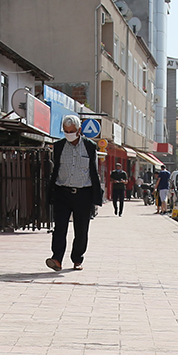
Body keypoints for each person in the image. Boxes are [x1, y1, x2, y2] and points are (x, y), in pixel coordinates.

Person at [46, 115, 102, 271]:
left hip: (84, 193)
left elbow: (94, 172)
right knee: (60, 228)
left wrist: (96, 197)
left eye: (71, 131)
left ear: (79, 130)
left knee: (81, 228)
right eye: (65, 131)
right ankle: (56, 258)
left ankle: (77, 259)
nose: (68, 134)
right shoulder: (58, 146)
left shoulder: (90, 147)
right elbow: (54, 170)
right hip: (62, 192)